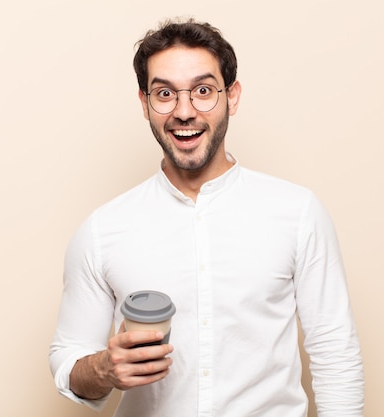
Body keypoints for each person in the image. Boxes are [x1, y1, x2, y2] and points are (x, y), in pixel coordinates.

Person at [49, 18, 364, 417]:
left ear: (231, 97)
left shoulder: (298, 213)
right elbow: (69, 358)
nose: (184, 111)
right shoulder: (101, 231)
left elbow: (335, 352)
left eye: (202, 91)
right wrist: (102, 368)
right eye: (164, 93)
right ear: (145, 103)